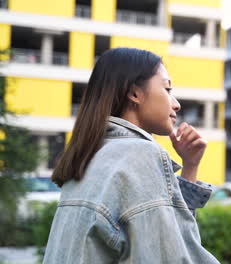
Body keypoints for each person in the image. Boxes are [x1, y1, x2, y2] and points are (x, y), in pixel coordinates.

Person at [43, 48, 220, 264]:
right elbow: (173, 258)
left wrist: (190, 166)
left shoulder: (90, 155)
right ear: (135, 93)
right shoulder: (139, 155)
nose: (176, 104)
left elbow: (171, 239)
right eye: (167, 88)